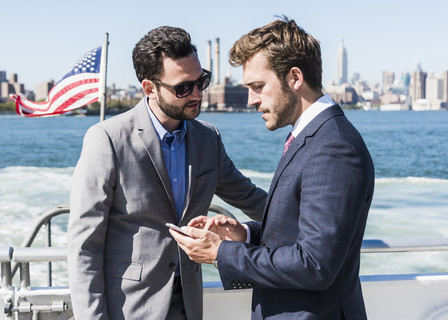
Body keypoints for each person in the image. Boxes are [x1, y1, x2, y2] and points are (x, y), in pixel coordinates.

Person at [170, 16, 375, 319]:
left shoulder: (334, 147)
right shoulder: (312, 136)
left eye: (258, 86)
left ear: (295, 78)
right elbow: (300, 232)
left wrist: (221, 254)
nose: (251, 100)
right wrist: (245, 235)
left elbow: (315, 265)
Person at [67, 26, 267, 320]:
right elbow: (84, 245)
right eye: (184, 87)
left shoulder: (208, 138)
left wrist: (310, 219)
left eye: (202, 81)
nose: (197, 93)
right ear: (150, 88)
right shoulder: (107, 139)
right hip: (128, 308)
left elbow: (249, 197)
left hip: (188, 301)